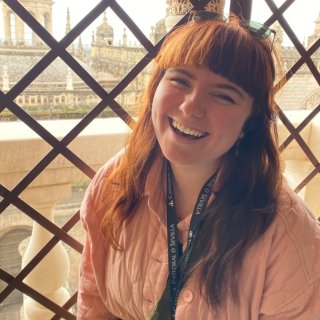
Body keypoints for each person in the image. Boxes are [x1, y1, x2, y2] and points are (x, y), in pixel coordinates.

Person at [76, 10, 320, 320]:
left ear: (249, 122)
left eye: (223, 96)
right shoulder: (115, 181)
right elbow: (95, 301)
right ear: (154, 89)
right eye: (180, 79)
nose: (191, 105)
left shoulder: (288, 236)